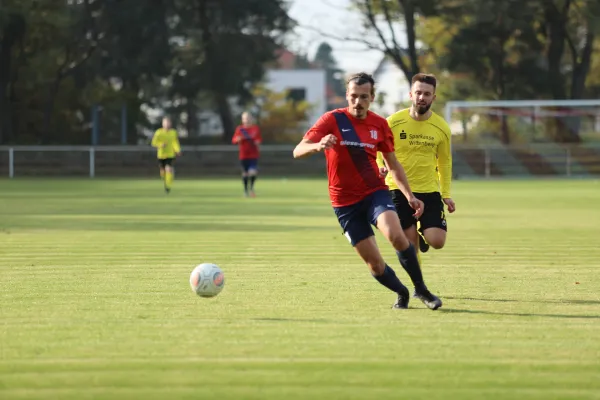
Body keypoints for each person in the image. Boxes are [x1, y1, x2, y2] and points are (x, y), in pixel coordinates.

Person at [293, 72, 442, 310]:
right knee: (375, 264)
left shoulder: (379, 124)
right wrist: (318, 145)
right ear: (347, 96)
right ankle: (401, 292)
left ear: (372, 97)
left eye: (363, 97)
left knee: (396, 235)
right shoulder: (332, 120)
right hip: (344, 204)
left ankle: (421, 290)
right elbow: (298, 150)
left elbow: (393, 164)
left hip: (375, 194)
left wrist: (409, 196)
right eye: (353, 96)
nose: (357, 102)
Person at [377, 73, 455, 265]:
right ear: (411, 94)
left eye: (427, 94)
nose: (422, 97)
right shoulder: (392, 122)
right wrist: (381, 166)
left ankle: (422, 237)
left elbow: (444, 162)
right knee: (410, 246)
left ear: (433, 98)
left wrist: (445, 194)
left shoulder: (442, 127)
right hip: (399, 190)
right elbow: (380, 149)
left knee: (437, 241)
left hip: (429, 190)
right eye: (418, 93)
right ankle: (419, 286)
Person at [232, 112, 262, 197]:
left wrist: (257, 142)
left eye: (248, 118)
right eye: (245, 118)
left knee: (252, 172)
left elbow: (259, 139)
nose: (247, 120)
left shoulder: (255, 128)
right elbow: (234, 140)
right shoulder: (240, 129)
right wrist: (238, 139)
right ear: (242, 119)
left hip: (253, 154)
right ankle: (245, 191)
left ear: (251, 119)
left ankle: (251, 188)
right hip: (243, 155)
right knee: (245, 173)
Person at [151, 116, 181, 194]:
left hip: (170, 154)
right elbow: (153, 143)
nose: (167, 124)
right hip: (161, 155)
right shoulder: (159, 132)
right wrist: (160, 144)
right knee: (162, 171)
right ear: (162, 124)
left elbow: (175, 142)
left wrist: (177, 150)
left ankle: (168, 186)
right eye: (165, 123)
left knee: (168, 169)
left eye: (168, 123)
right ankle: (166, 181)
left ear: (170, 124)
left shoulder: (173, 132)